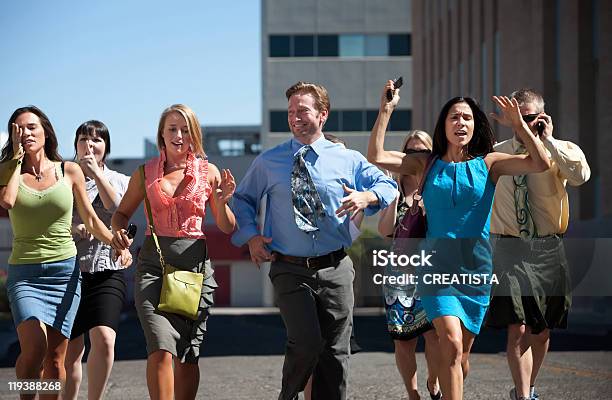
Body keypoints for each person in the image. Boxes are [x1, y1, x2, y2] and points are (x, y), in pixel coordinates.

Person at [368, 81, 551, 400]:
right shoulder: (426, 163)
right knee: (450, 343)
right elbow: (377, 155)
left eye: (467, 117)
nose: (460, 123)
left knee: (460, 358)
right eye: (454, 117)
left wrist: (520, 125)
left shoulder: (490, 164)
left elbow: (540, 163)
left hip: (475, 273)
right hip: (435, 270)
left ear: (475, 125)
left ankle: (438, 384)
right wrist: (386, 110)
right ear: (444, 125)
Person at [231, 81, 397, 400]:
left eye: (303, 110)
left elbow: (387, 185)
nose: (295, 117)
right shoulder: (270, 161)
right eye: (291, 111)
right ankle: (289, 395)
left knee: (335, 352)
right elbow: (242, 200)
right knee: (306, 342)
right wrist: (251, 237)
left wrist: (367, 196)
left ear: (323, 115)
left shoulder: (346, 158)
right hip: (290, 268)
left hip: (336, 267)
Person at [0, 106, 128, 400]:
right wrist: (16, 160)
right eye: (18, 129)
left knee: (56, 359)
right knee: (33, 351)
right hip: (26, 273)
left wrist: (114, 241)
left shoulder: (68, 171)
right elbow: (7, 202)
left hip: (64, 273)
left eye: (32, 127)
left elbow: (92, 219)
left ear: (46, 131)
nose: (26, 133)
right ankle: (26, 394)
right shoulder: (7, 171)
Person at [111, 104, 236, 400]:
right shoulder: (145, 173)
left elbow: (227, 226)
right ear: (162, 135)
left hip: (194, 268)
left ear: (194, 135)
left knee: (188, 355)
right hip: (154, 266)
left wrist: (221, 201)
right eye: (172, 129)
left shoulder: (210, 172)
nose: (179, 135)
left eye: (185, 129)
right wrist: (118, 232)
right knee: (160, 346)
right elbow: (122, 214)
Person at [484, 89, 590, 400]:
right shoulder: (497, 153)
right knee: (516, 327)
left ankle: (528, 387)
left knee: (541, 330)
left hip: (548, 248)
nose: (526, 123)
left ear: (543, 117)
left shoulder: (561, 150)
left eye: (531, 118)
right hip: (510, 249)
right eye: (520, 118)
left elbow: (581, 175)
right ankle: (523, 395)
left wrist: (550, 143)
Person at [64, 120, 132, 400]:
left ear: (106, 147)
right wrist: (73, 228)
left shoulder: (120, 180)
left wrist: (96, 174)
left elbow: (117, 210)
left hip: (107, 269)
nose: (90, 145)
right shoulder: (62, 177)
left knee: (104, 339)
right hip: (68, 270)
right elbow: (50, 220)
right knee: (70, 352)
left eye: (97, 140)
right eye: (83, 139)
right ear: (76, 145)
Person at [377, 130, 441, 400]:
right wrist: (393, 197)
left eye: (423, 151)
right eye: (411, 151)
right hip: (400, 273)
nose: (417, 156)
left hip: (432, 270)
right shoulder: (395, 186)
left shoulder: (439, 183)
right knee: (403, 341)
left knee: (436, 337)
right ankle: (413, 393)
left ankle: (433, 381)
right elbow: (383, 231)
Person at [303, 133, 363, 400]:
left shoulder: (352, 194)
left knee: (336, 348)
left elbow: (350, 236)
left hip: (337, 266)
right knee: (309, 347)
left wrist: (359, 206)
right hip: (302, 272)